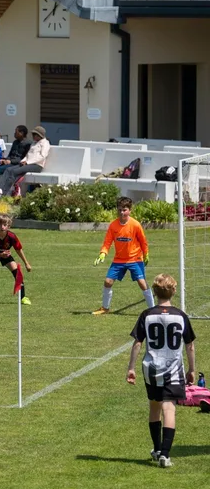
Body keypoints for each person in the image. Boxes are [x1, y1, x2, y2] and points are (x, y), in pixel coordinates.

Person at [126, 273, 196, 468]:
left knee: (154, 407)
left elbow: (137, 343)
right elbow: (189, 345)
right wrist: (192, 369)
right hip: (173, 370)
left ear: (155, 292)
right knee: (169, 408)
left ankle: (157, 449)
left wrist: (131, 368)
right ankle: (165, 454)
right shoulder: (181, 316)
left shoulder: (147, 315)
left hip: (151, 369)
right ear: (173, 291)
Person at [93, 197, 152, 315]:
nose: (121, 212)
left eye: (124, 210)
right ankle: (105, 308)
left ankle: (153, 308)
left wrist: (146, 254)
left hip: (135, 259)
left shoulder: (135, 225)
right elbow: (107, 242)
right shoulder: (113, 225)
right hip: (119, 260)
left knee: (142, 282)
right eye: (119, 210)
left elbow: (143, 241)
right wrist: (103, 253)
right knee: (108, 281)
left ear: (130, 210)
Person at [0, 126, 50, 198]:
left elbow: (42, 156)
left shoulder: (45, 143)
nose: (33, 136)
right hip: (27, 164)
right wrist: (23, 161)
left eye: (34, 134)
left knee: (14, 172)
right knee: (8, 169)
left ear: (39, 135)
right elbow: (28, 155)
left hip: (37, 166)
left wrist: (28, 162)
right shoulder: (34, 143)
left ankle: (2, 193)